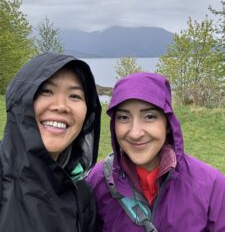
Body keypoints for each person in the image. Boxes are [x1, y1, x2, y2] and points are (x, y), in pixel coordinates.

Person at [87, 72, 225, 231]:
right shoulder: (97, 182)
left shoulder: (213, 187)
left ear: (168, 124)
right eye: (124, 117)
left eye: (149, 116)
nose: (135, 133)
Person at [0, 52, 101, 232]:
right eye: (46, 91)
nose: (61, 106)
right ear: (21, 101)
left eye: (75, 96)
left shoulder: (83, 194)